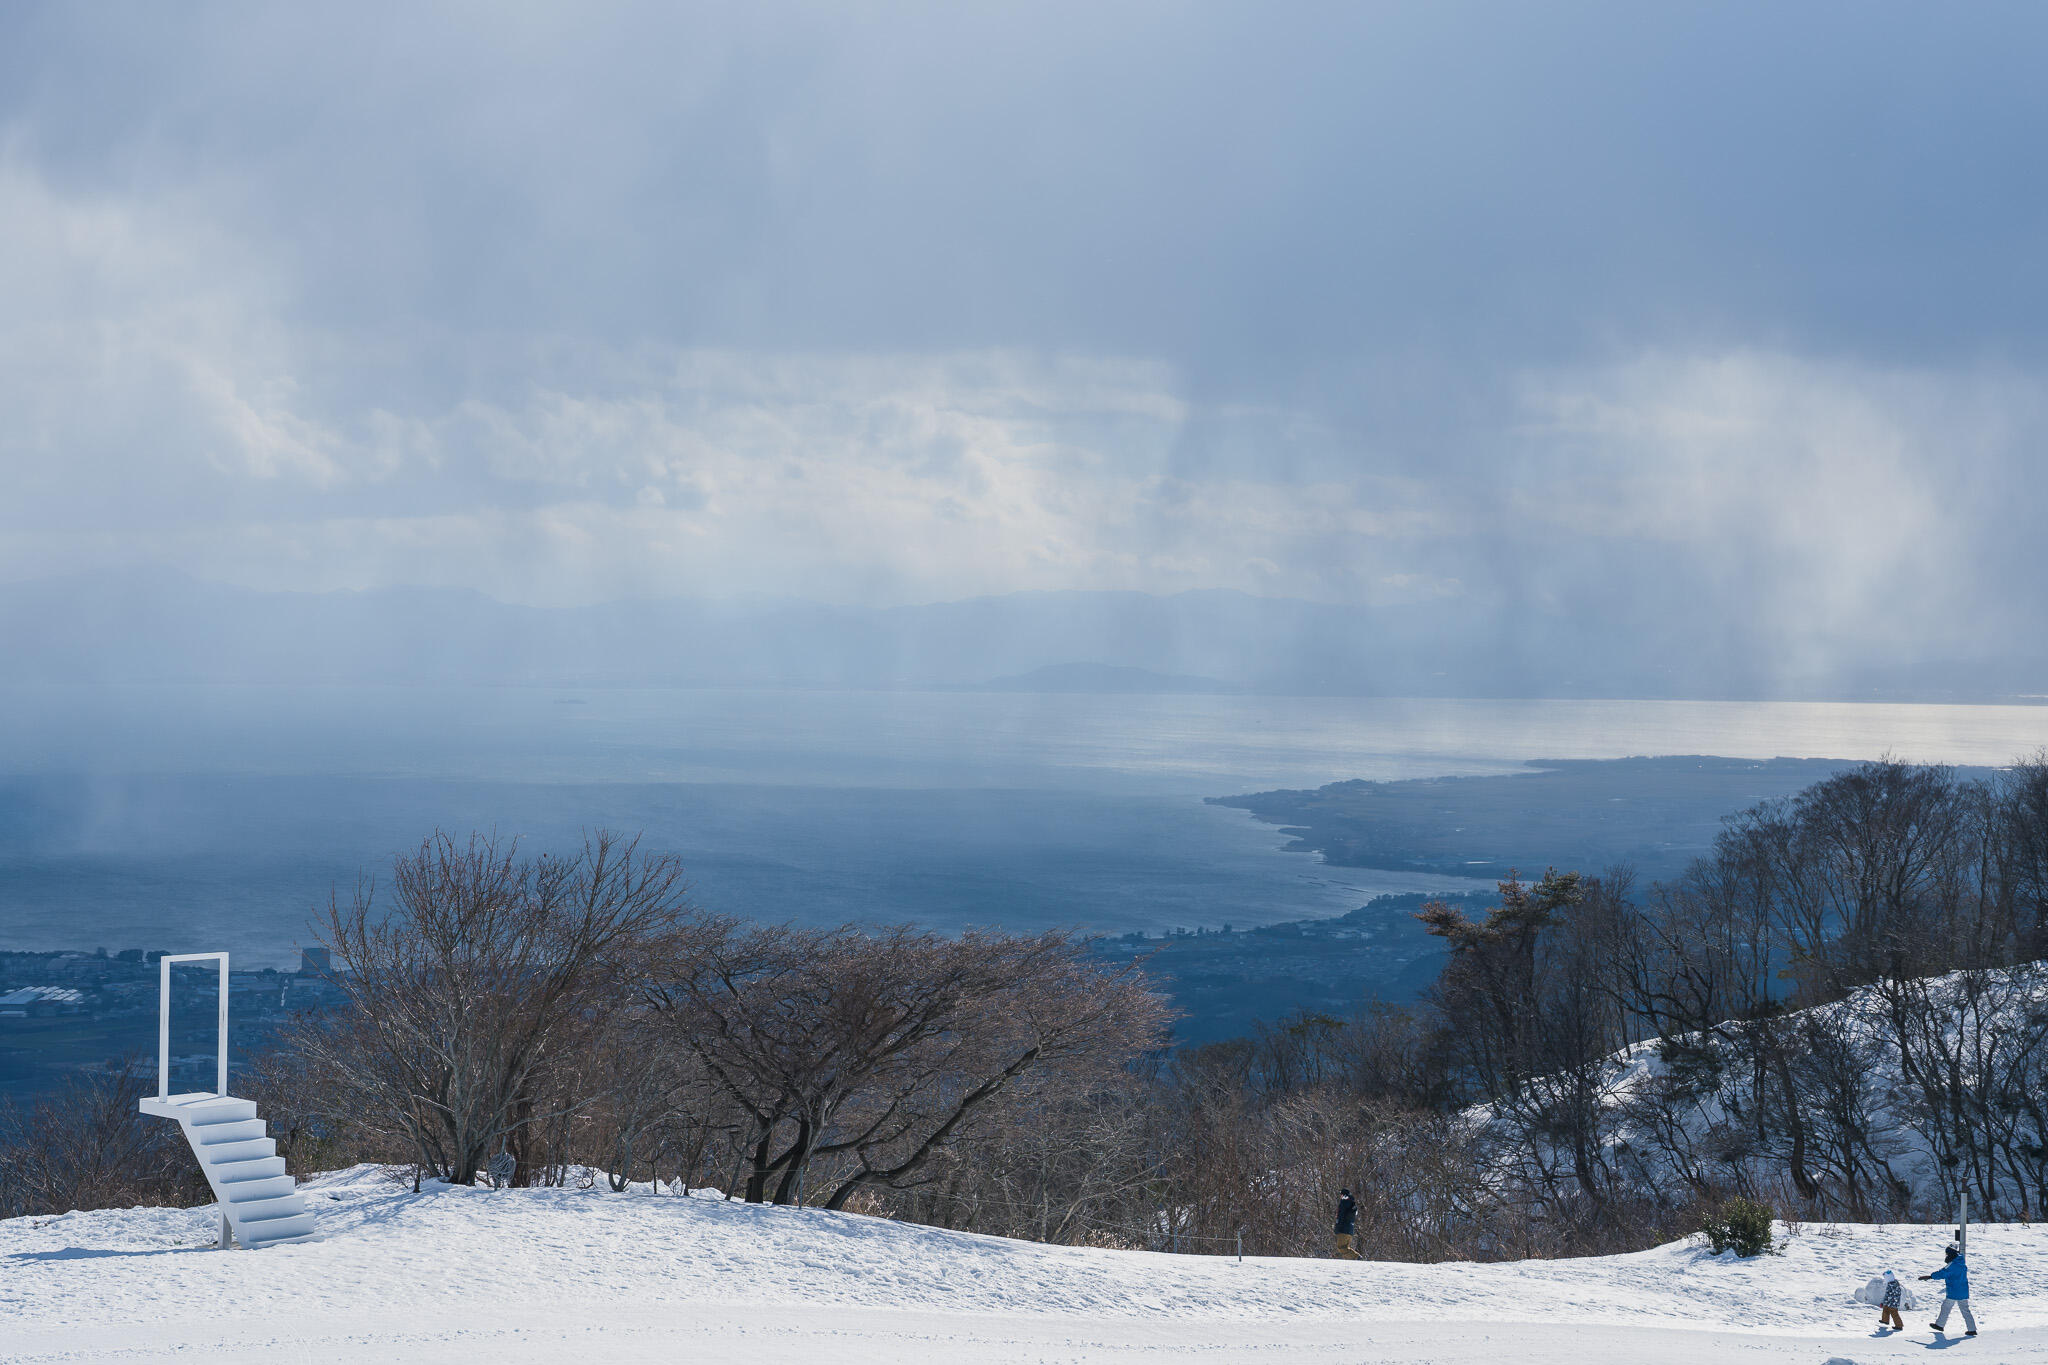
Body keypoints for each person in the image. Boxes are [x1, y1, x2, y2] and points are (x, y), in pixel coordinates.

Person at [1920, 1244, 1977, 1337]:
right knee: (1965, 1310)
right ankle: (1972, 1329)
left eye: (1947, 1254)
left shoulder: (1953, 1265)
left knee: (1946, 1307)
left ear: (1950, 1254)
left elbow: (1943, 1273)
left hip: (1954, 1291)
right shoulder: (1961, 1262)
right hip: (1963, 1290)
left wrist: (1930, 1276)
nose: (1946, 1255)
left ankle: (1940, 1325)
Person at [1333, 1187, 1361, 1260]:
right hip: (1350, 1230)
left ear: (1343, 1195)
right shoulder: (1352, 1204)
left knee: (1341, 1247)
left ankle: (1357, 1257)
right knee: (1346, 1249)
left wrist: (1337, 1227)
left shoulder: (1344, 1203)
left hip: (1343, 1229)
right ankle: (1351, 1262)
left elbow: (1341, 1216)